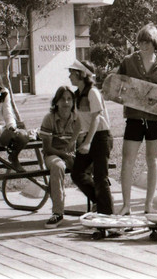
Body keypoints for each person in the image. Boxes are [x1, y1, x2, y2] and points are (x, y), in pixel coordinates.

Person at [117, 23, 157, 215]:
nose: (143, 44)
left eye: (147, 41)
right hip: (133, 118)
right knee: (127, 160)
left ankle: (149, 204)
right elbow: (117, 85)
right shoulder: (128, 61)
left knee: (153, 160)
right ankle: (126, 205)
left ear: (155, 42)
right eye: (141, 41)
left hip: (155, 120)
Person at [69, 60, 114, 215]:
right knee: (77, 173)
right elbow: (78, 122)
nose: (69, 76)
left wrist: (87, 142)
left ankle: (107, 213)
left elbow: (96, 118)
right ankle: (99, 201)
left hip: (101, 137)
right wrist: (73, 140)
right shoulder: (77, 95)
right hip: (89, 136)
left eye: (72, 73)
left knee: (101, 177)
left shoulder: (92, 92)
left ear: (81, 74)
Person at [41, 86, 81, 228]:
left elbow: (80, 143)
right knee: (58, 166)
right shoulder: (49, 119)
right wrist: (64, 155)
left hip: (71, 154)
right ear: (56, 102)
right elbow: (47, 148)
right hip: (53, 154)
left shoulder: (78, 119)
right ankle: (58, 213)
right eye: (62, 99)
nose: (66, 102)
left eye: (69, 99)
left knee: (90, 164)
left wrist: (74, 156)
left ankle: (98, 204)